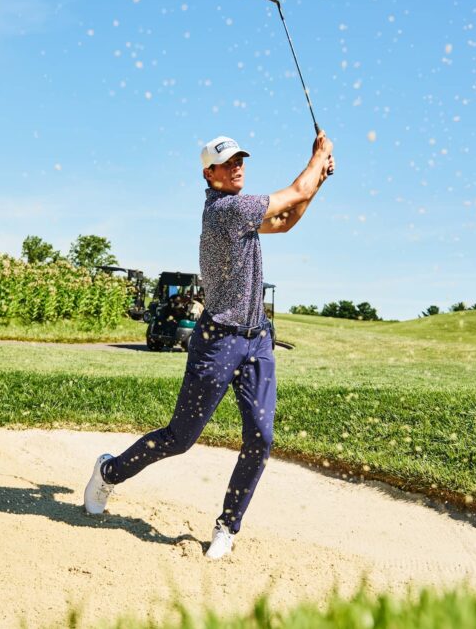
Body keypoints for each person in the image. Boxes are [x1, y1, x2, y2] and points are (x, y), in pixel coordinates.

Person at [84, 131, 335, 559]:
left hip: (257, 342)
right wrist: (318, 158)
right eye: (228, 162)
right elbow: (296, 190)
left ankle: (227, 526)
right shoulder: (226, 211)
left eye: (241, 159)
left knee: (261, 437)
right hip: (218, 342)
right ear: (209, 173)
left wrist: (319, 180)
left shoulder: (242, 212)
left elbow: (288, 218)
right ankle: (109, 471)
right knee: (181, 438)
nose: (237, 166)